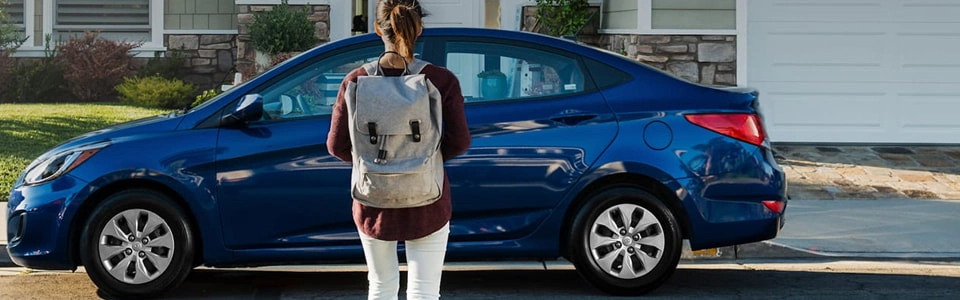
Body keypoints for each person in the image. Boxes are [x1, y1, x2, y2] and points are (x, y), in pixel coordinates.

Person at [326, 1, 471, 299]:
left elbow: (336, 145)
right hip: (427, 198)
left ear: (378, 28)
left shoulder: (355, 80)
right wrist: (422, 159)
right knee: (425, 290)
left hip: (373, 199)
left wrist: (374, 162)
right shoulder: (441, 81)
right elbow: (460, 141)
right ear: (418, 28)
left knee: (381, 286)